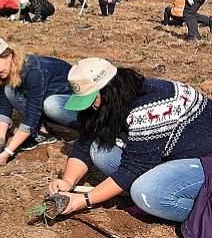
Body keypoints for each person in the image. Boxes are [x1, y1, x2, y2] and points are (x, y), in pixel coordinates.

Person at [47, 58, 212, 226]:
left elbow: (134, 167)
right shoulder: (111, 101)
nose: (90, 107)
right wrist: (68, 181)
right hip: (171, 152)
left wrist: (84, 200)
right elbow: (85, 142)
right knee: (99, 150)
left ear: (107, 89)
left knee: (147, 193)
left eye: (90, 100)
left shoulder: (149, 108)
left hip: (204, 158)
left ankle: (201, 212)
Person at [0, 37, 77, 164]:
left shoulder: (33, 71)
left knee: (51, 105)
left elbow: (32, 114)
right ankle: (42, 132)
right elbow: (3, 105)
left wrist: (8, 152)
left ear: (8, 55)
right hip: (46, 101)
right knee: (8, 90)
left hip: (71, 106)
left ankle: (85, 131)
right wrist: (0, 140)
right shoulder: (9, 71)